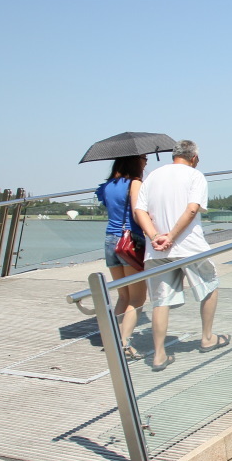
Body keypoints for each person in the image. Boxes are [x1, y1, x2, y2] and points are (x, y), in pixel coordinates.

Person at [134, 140, 229, 371]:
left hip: (156, 250)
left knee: (160, 301)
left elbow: (139, 210)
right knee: (209, 286)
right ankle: (207, 338)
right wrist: (172, 237)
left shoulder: (153, 176)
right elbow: (192, 209)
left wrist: (156, 235)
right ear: (194, 157)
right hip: (189, 247)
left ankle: (158, 355)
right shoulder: (195, 176)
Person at [95, 154, 148, 360]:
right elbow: (137, 214)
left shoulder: (108, 185)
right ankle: (124, 344)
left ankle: (113, 341)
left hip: (110, 240)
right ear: (133, 161)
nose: (145, 162)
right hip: (130, 241)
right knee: (137, 298)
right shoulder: (135, 184)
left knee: (123, 295)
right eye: (143, 158)